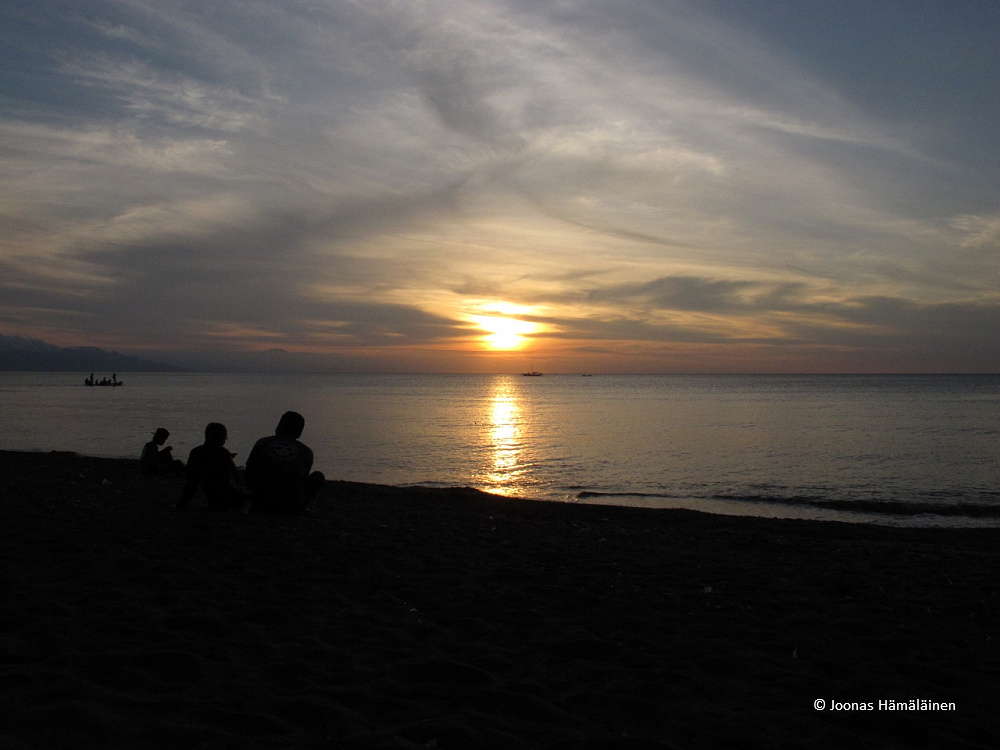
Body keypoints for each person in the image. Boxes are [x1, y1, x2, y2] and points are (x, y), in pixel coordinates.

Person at [245, 411, 325, 514]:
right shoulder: (306, 451)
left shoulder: (262, 443)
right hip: (289, 506)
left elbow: (249, 472)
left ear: (279, 426)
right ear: (299, 432)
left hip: (259, 501)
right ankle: (299, 508)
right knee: (318, 476)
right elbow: (302, 478)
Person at [177, 422, 247, 510]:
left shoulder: (195, 452)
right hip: (228, 499)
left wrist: (182, 503)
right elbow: (231, 480)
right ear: (221, 439)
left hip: (212, 498)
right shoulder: (223, 453)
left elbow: (191, 485)